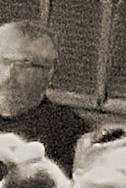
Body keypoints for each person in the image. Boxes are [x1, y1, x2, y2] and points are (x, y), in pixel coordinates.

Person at [0, 21, 89, 174]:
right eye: (3, 61)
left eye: (23, 65)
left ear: (48, 73)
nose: (8, 76)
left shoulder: (68, 130)